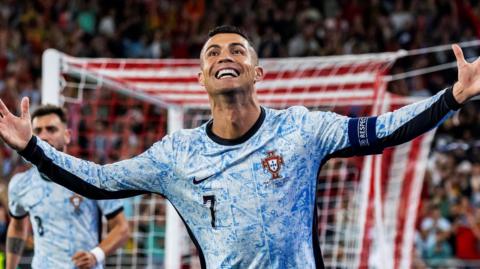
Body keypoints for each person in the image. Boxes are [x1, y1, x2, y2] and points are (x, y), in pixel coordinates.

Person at [0, 25, 477, 268]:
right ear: (202, 78)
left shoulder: (300, 129)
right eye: (213, 54)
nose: (224, 57)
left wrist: (451, 97)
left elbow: (379, 131)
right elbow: (101, 181)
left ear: (256, 72)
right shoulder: (176, 155)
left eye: (237, 52)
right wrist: (33, 149)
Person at [5, 105, 130, 269]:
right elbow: (17, 227)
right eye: (38, 130)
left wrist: (96, 255)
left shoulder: (91, 176)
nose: (43, 136)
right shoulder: (20, 184)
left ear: (67, 136)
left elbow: (122, 228)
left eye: (51, 129)